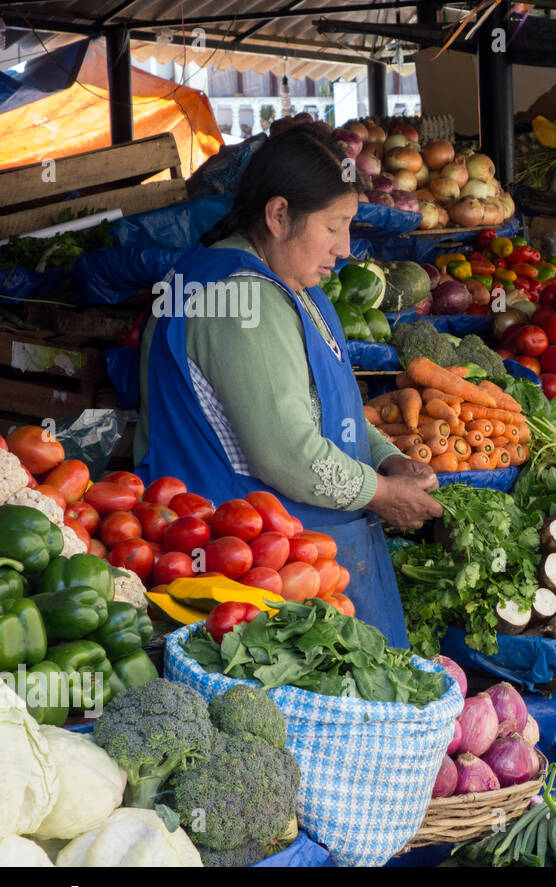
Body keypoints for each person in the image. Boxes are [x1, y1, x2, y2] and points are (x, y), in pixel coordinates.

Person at [134, 127, 443, 646]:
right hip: (247, 572)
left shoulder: (291, 283)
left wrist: (388, 457)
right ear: (278, 216)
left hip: (307, 557)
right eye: (334, 226)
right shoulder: (241, 301)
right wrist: (384, 493)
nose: (345, 248)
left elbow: (327, 408)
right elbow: (288, 454)